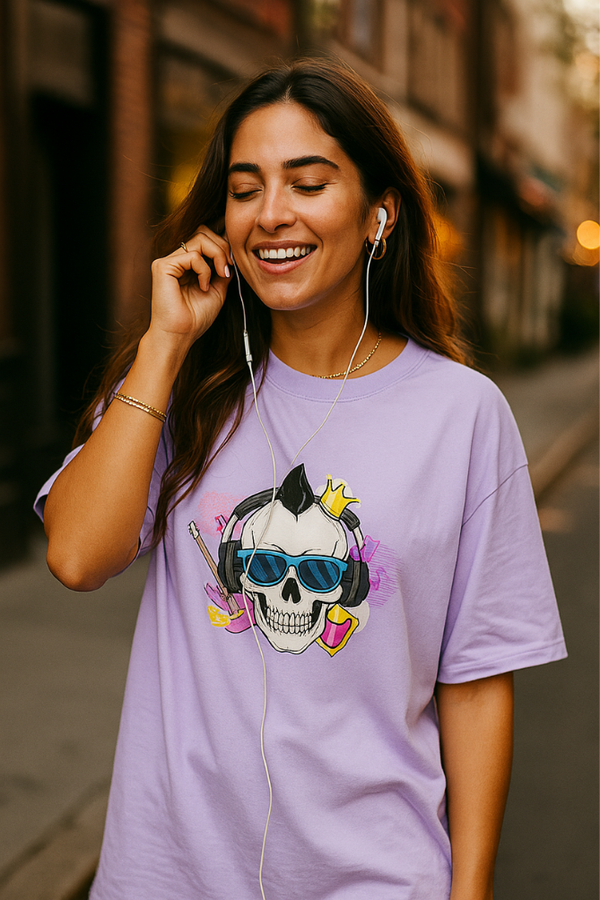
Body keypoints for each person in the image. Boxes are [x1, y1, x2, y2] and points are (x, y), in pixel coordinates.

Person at [35, 59, 566, 900]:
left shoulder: (463, 415)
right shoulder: (182, 388)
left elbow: (475, 682)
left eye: (309, 184)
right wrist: (165, 345)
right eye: (245, 190)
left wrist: (470, 893)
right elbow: (76, 555)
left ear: (379, 213)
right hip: (169, 876)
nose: (272, 214)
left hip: (376, 877)